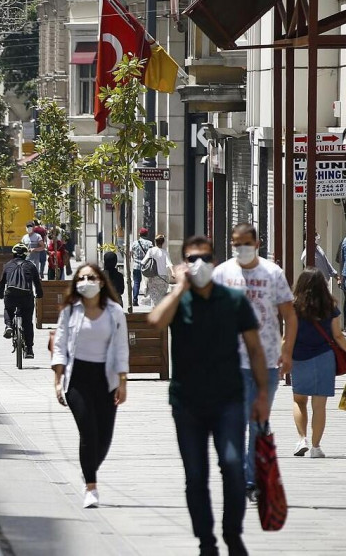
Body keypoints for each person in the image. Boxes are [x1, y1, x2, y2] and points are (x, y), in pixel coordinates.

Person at [148, 235, 269, 556]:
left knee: (231, 465)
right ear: (183, 263)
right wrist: (179, 289)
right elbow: (155, 321)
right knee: (195, 475)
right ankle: (206, 542)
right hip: (187, 403)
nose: (198, 263)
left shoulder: (233, 299)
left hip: (228, 399)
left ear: (213, 262)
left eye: (203, 257)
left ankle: (233, 533)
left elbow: (256, 349)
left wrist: (261, 396)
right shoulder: (180, 300)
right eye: (191, 258)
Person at [212, 223, 297, 500]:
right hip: (229, 362)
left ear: (257, 243)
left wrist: (287, 351)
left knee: (258, 422)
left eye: (246, 243)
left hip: (266, 363)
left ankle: (252, 481)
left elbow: (290, 315)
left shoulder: (272, 273)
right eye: (236, 243)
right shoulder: (222, 273)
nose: (240, 248)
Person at [51, 263, 129, 508]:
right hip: (78, 379)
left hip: (106, 379)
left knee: (104, 437)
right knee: (88, 431)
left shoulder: (115, 311)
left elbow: (121, 348)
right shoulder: (70, 311)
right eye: (82, 278)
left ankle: (88, 468)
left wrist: (123, 381)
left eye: (91, 277)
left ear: (102, 282)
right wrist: (57, 380)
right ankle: (91, 487)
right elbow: (60, 343)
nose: (86, 282)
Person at [289, 268, 346, 459]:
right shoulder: (330, 306)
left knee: (299, 401)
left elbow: (287, 336)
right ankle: (316, 447)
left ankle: (301, 438)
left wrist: (283, 356)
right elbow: (337, 335)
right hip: (325, 357)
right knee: (319, 405)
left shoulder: (293, 306)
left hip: (299, 356)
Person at [0, 244, 43, 357]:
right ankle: (29, 349)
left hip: (11, 294)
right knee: (27, 322)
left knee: (8, 308)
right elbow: (37, 283)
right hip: (26, 295)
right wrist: (39, 295)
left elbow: (2, 282)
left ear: (13, 254)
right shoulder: (31, 266)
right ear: (26, 255)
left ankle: (8, 326)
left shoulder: (8, 265)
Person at [145, 234, 173, 306]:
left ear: (155, 241)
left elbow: (143, 262)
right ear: (163, 242)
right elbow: (169, 264)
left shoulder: (151, 251)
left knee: (154, 298)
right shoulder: (165, 252)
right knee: (162, 297)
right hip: (163, 277)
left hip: (153, 277)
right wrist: (173, 272)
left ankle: (155, 312)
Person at [130, 228, 153, 306]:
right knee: (148, 282)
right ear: (146, 235)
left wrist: (135, 260)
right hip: (147, 266)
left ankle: (135, 299)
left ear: (139, 234)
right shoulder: (150, 243)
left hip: (136, 266)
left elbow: (131, 254)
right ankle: (148, 298)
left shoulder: (134, 243)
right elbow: (151, 254)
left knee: (136, 283)